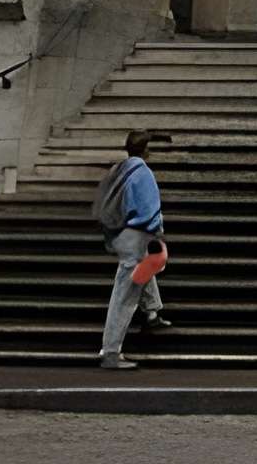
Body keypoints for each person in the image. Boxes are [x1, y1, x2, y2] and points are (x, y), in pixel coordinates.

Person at [93, 131, 171, 368]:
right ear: (146, 150)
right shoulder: (143, 174)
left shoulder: (120, 169)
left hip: (121, 233)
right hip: (137, 235)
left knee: (146, 265)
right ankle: (111, 352)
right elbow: (149, 210)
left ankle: (152, 312)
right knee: (125, 296)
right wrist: (157, 232)